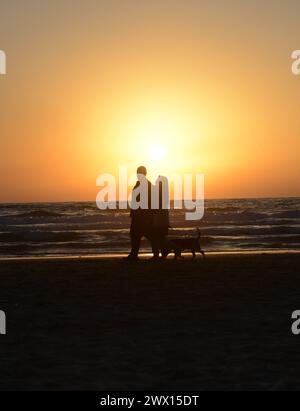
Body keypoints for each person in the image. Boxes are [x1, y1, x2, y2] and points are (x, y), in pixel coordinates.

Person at [124, 166, 154, 261]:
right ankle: (134, 254)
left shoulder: (146, 185)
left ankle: (134, 255)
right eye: (138, 172)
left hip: (142, 215)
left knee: (138, 234)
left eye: (139, 172)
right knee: (137, 235)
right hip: (139, 215)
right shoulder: (142, 184)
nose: (138, 174)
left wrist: (148, 216)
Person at [152, 176, 170, 259]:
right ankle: (163, 253)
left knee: (156, 237)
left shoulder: (159, 193)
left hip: (159, 219)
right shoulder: (164, 193)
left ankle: (157, 254)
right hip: (163, 218)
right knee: (161, 237)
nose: (155, 183)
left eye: (157, 182)